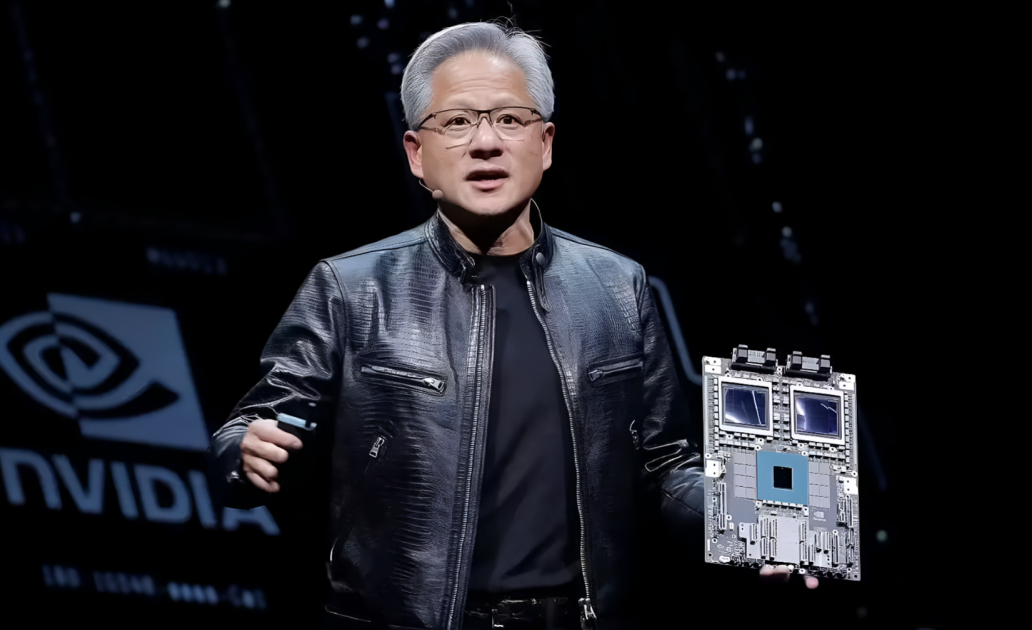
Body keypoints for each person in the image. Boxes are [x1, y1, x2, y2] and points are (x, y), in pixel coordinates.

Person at [209, 21, 720, 630]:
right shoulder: (352, 288)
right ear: (416, 155)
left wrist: (745, 524)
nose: (485, 143)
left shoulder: (616, 285)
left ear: (546, 144)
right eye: (456, 122)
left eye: (509, 119)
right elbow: (250, 429)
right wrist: (243, 452)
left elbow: (665, 466)